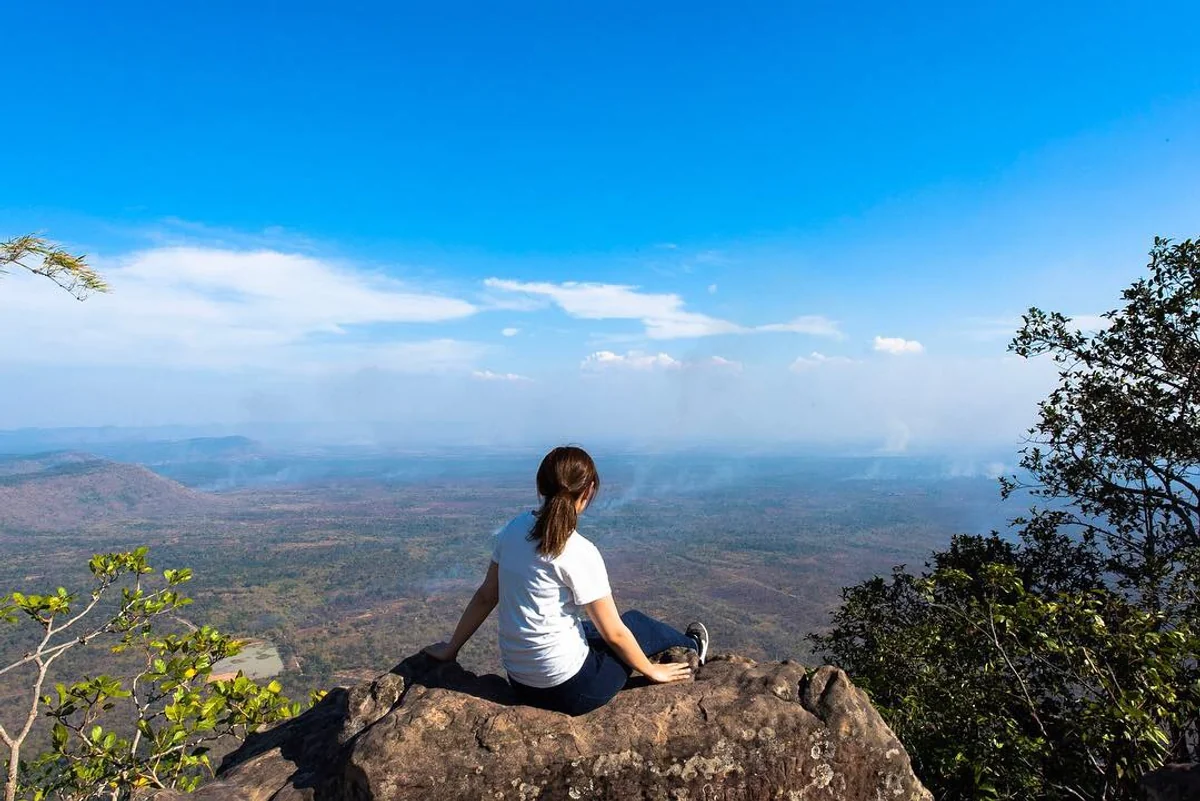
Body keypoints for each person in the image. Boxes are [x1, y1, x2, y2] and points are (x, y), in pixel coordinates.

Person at [424, 445, 709, 715]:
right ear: (589, 491)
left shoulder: (514, 529)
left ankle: (686, 643)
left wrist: (451, 649)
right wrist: (651, 670)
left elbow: (487, 595)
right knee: (633, 624)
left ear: (540, 487)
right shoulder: (579, 550)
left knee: (588, 629)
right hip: (573, 690)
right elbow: (615, 634)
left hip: (520, 682)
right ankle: (693, 645)